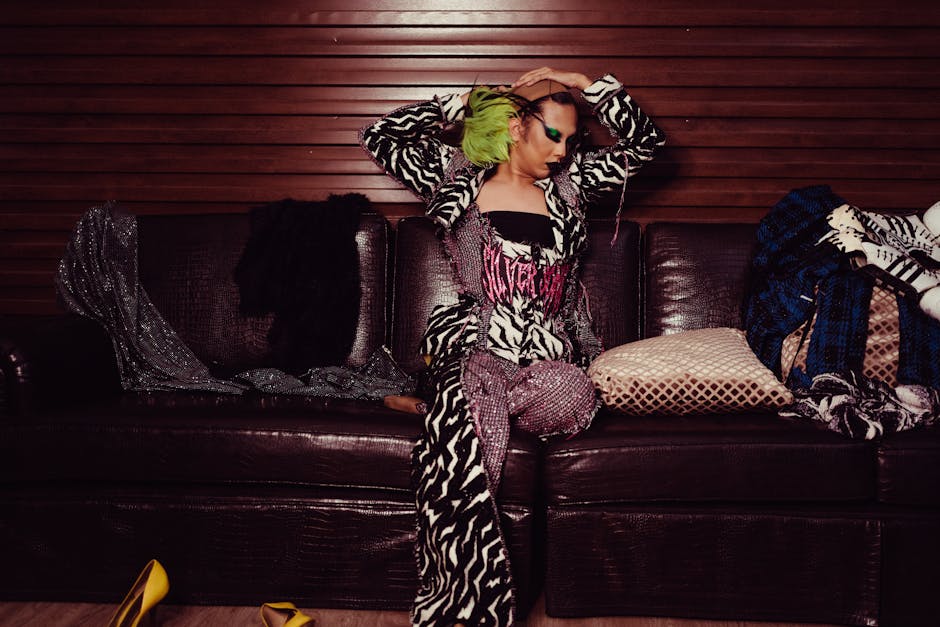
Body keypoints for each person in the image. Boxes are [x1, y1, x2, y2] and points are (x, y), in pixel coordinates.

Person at [360, 66, 664, 626]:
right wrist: (466, 101)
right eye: (554, 135)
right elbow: (381, 136)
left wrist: (583, 81)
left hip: (546, 352)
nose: (564, 151)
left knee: (574, 396)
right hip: (476, 340)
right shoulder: (455, 176)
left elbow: (646, 145)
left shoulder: (572, 186)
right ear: (517, 126)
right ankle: (466, 600)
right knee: (472, 404)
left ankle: (446, 407)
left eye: (572, 139)